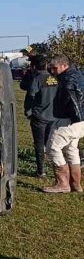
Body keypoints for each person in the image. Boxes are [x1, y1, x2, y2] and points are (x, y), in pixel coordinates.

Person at [44, 55, 84, 193]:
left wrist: (72, 116)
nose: (53, 71)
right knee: (71, 149)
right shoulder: (77, 74)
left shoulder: (68, 80)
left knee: (52, 148)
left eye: (55, 68)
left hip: (69, 120)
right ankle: (76, 184)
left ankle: (62, 184)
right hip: (80, 122)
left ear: (64, 65)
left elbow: (72, 99)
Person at [24, 56, 59, 177]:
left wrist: (28, 112)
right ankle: (58, 168)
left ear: (33, 67)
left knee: (39, 145)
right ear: (46, 65)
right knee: (53, 143)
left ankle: (41, 171)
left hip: (39, 117)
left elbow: (31, 96)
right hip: (54, 116)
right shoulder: (55, 78)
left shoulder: (37, 79)